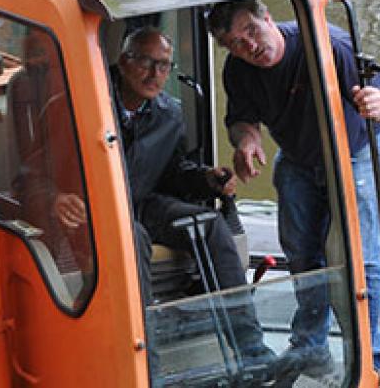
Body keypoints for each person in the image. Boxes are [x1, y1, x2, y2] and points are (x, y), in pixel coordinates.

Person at [53, 26, 275, 381]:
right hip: (93, 211)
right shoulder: (79, 104)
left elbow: (173, 172)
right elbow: (31, 174)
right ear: (124, 62)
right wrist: (56, 197)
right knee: (134, 237)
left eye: (164, 66)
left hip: (142, 202)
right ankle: (146, 365)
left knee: (211, 224)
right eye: (147, 63)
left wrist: (205, 178)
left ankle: (252, 349)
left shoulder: (168, 113)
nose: (156, 75)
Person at [207, 0, 380, 376]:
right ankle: (311, 347)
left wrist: (378, 103)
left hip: (353, 152)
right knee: (301, 253)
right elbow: (241, 119)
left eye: (252, 31)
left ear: (267, 18)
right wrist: (246, 141)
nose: (251, 46)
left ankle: (369, 359)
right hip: (296, 156)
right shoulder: (239, 70)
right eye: (237, 44)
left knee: (362, 258)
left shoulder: (329, 44)